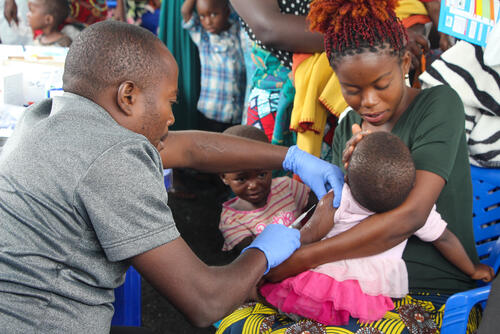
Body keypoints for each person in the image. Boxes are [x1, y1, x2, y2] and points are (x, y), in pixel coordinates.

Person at [0, 21, 345, 333]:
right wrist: (263, 251)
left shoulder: (48, 120)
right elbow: (205, 302)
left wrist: (292, 158)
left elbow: (191, 148)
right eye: (169, 101)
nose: (170, 116)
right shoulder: (113, 159)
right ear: (128, 96)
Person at [216, 0, 483, 332]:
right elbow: (336, 209)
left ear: (403, 62)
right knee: (238, 322)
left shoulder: (438, 105)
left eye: (381, 85)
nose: (368, 101)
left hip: (427, 288)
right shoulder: (349, 125)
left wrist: (301, 260)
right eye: (352, 90)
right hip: (349, 280)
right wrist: (286, 253)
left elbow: (412, 216)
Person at [259, 132, 493, 326]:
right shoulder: (414, 209)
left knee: (293, 304)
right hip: (368, 291)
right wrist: (472, 269)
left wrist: (273, 256)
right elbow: (445, 240)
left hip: (321, 280)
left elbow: (307, 236)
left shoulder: (340, 199)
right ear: (412, 183)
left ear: (347, 177)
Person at [219, 125, 316, 253]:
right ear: (224, 177)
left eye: (261, 175)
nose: (253, 185)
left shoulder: (287, 187)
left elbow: (319, 205)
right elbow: (253, 258)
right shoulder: (232, 220)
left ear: (270, 166)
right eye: (241, 179)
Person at [181, 0, 246, 133]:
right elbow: (185, 12)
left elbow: (240, 11)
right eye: (202, 16)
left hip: (236, 114)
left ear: (227, 12)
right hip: (210, 114)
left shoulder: (237, 30)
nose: (208, 21)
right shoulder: (203, 37)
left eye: (213, 14)